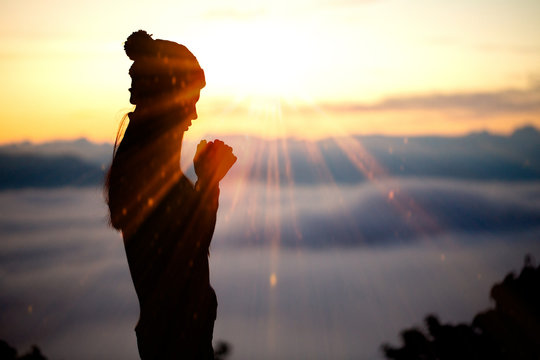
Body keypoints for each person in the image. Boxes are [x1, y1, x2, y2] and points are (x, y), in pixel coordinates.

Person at [106, 30, 236, 359]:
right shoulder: (146, 172)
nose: (194, 114)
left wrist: (206, 181)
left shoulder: (147, 166)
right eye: (190, 101)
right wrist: (208, 182)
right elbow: (190, 245)